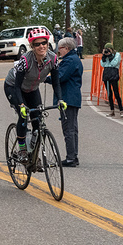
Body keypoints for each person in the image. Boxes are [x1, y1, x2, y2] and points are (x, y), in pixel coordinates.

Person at [3, 27, 66, 163]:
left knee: (37, 120)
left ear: (48, 44)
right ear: (32, 46)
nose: (41, 46)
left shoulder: (53, 59)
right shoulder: (25, 60)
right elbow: (17, 86)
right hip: (13, 87)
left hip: (32, 89)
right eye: (37, 44)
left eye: (44, 43)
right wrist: (21, 105)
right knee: (23, 116)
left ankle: (33, 152)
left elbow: (56, 83)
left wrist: (60, 100)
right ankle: (22, 150)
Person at [48, 37, 83, 167]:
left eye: (60, 48)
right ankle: (73, 156)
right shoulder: (74, 59)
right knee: (72, 128)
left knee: (69, 129)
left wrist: (46, 78)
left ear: (66, 48)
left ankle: (71, 158)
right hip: (73, 97)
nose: (58, 51)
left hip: (68, 98)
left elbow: (60, 77)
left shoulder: (69, 61)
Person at [101, 43, 123, 117]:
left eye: (108, 49)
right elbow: (103, 64)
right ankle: (112, 110)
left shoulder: (117, 55)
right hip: (106, 75)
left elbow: (114, 63)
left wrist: (110, 56)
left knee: (116, 93)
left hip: (113, 75)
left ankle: (121, 110)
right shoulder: (105, 56)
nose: (107, 50)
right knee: (109, 94)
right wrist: (104, 56)